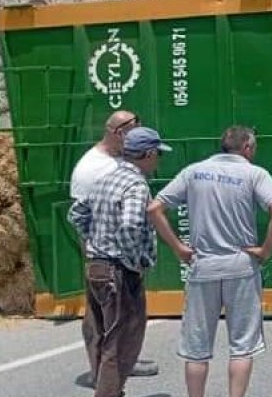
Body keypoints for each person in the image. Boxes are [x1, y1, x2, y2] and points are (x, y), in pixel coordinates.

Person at [147, 126, 272, 397]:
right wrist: (265, 250)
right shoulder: (254, 174)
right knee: (242, 346)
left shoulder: (193, 172)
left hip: (203, 266)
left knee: (197, 349)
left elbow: (155, 208)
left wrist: (178, 248)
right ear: (247, 148)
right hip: (241, 266)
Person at [68, 127, 171, 397]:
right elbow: (130, 227)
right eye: (157, 154)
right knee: (123, 341)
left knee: (104, 334)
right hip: (119, 269)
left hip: (96, 265)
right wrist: (133, 261)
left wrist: (96, 240)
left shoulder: (105, 178)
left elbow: (76, 214)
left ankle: (110, 390)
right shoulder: (136, 185)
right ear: (147, 154)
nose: (158, 159)